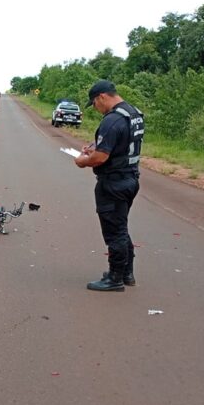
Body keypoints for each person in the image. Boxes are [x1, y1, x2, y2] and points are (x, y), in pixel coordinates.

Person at [74, 80, 144, 291]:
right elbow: (118, 143)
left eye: (94, 103)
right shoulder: (134, 114)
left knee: (114, 232)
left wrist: (82, 161)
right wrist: (94, 147)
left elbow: (100, 158)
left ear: (102, 97)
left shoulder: (112, 120)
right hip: (130, 178)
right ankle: (126, 273)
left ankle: (115, 278)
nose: (95, 108)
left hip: (113, 183)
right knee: (121, 226)